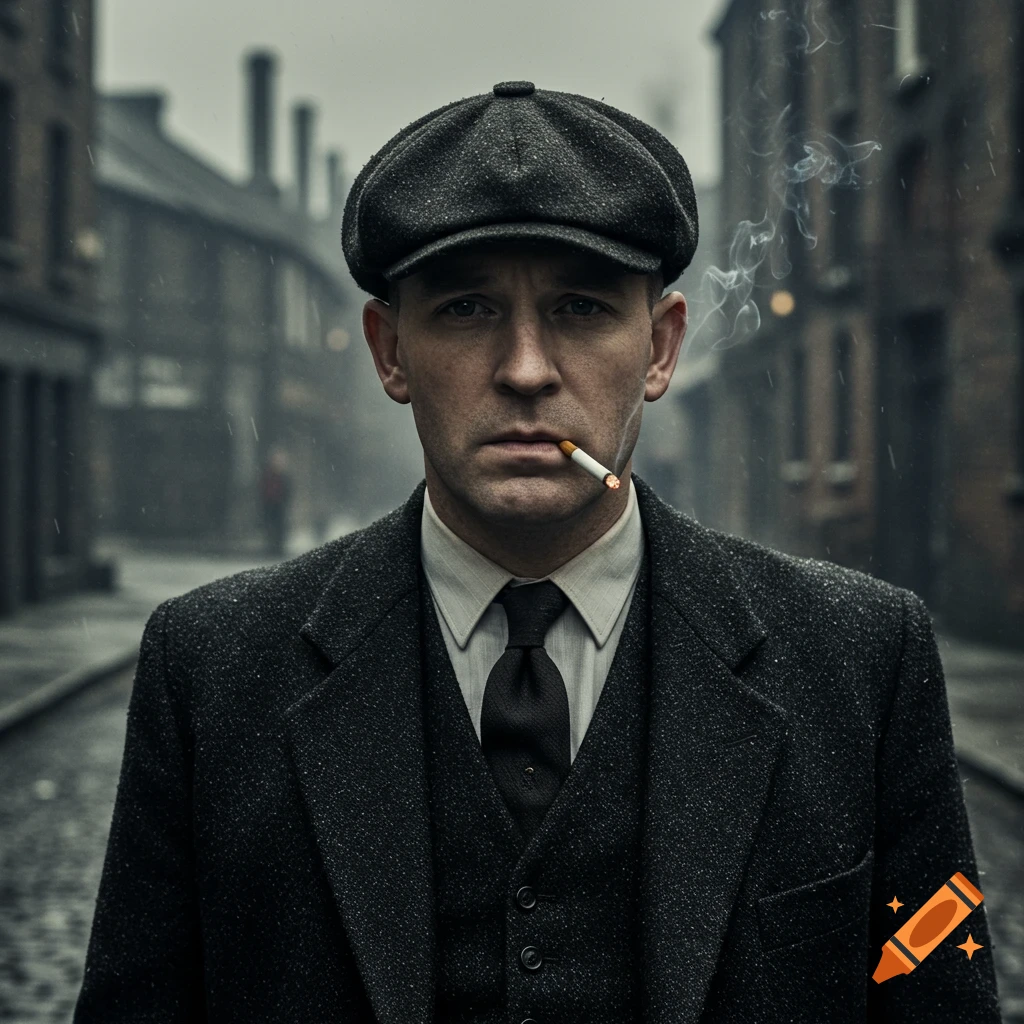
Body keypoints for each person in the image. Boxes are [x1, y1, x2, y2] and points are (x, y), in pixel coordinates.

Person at [74, 82, 1002, 1023]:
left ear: (661, 347)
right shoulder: (214, 668)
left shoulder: (858, 659)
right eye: (469, 310)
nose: (524, 369)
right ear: (389, 351)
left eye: (582, 309)